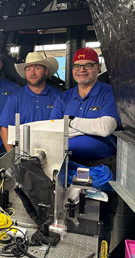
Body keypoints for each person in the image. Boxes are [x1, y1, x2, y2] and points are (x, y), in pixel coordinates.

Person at [49, 47, 121, 243]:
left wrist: (71, 121)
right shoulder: (64, 97)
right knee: (67, 221)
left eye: (88, 65)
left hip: (100, 169)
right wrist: (90, 126)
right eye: (77, 66)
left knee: (100, 224)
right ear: (72, 70)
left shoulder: (109, 93)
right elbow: (54, 129)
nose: (82, 69)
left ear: (98, 67)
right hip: (67, 168)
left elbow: (106, 127)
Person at [0, 52, 61, 152]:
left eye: (37, 68)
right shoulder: (14, 98)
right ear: (25, 73)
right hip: (23, 155)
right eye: (28, 69)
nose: (32, 73)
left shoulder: (58, 97)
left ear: (45, 71)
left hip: (53, 153)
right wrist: (13, 156)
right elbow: (4, 129)